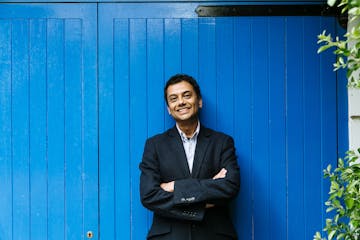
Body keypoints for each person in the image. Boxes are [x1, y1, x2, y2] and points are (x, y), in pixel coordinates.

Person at [139, 74, 240, 240]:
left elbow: (230, 187)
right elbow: (149, 196)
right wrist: (204, 200)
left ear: (199, 101)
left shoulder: (222, 142)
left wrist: (174, 186)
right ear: (169, 109)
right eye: (173, 98)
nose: (181, 102)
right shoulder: (154, 145)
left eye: (187, 95)